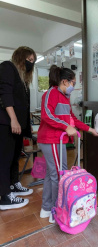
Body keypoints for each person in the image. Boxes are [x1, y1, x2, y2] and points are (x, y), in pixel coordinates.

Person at [37, 66, 98, 223]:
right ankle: (54, 209)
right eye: (73, 82)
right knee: (59, 174)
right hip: (51, 139)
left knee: (52, 174)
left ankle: (46, 208)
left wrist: (90, 129)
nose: (73, 86)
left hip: (58, 140)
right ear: (64, 81)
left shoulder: (64, 97)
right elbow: (47, 115)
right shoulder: (50, 94)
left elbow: (73, 119)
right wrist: (66, 127)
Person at [0, 46, 36, 210]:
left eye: (33, 61)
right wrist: (13, 119)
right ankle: (4, 196)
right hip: (6, 124)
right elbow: (5, 94)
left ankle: (13, 185)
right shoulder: (8, 67)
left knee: (14, 158)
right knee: (5, 159)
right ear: (20, 57)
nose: (30, 63)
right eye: (28, 60)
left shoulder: (23, 80)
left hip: (17, 127)